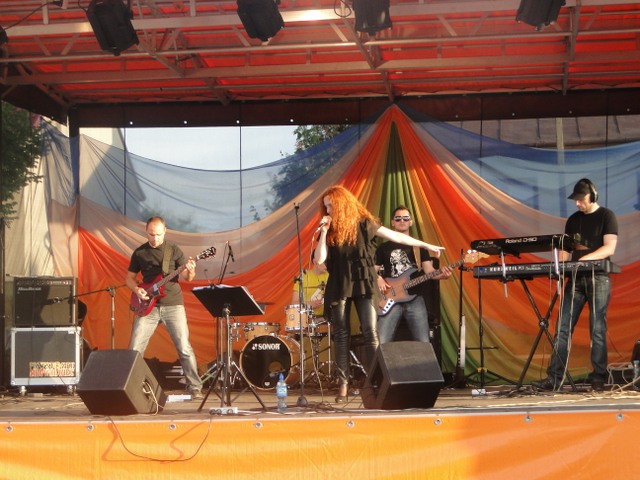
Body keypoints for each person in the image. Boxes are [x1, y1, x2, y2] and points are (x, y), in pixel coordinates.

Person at [313, 186, 445, 403]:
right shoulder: (330, 231)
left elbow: (396, 237)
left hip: (364, 281)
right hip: (340, 283)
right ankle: (343, 384)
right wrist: (325, 232)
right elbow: (319, 259)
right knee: (342, 334)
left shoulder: (364, 223)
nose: (328, 209)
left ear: (342, 204)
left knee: (370, 332)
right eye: (325, 206)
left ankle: (374, 381)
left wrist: (426, 245)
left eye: (331, 205)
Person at [533, 178, 618, 392]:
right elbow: (566, 250)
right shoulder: (573, 220)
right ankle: (554, 378)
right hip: (576, 280)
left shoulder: (607, 216)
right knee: (563, 328)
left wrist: (584, 259)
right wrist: (561, 268)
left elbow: (609, 248)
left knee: (597, 329)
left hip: (598, 278)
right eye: (576, 200)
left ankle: (598, 378)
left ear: (593, 196)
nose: (578, 203)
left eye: (581, 199)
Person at [125, 216, 204, 399]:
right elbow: (129, 278)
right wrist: (137, 290)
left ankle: (195, 386)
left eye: (159, 235)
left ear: (165, 231)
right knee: (135, 347)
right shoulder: (140, 253)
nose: (155, 238)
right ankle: (130, 386)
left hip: (173, 304)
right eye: (151, 235)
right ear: (146, 232)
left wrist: (191, 269)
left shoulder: (173, 250)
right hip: (147, 306)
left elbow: (188, 277)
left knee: (184, 347)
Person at [375, 206, 452, 344]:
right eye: (398, 218)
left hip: (415, 298)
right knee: (381, 341)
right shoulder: (383, 248)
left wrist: (442, 275)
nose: (402, 221)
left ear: (411, 222)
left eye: (406, 218)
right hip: (390, 299)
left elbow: (429, 271)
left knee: (423, 342)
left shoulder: (419, 246)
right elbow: (372, 270)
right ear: (392, 222)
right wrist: (378, 278)